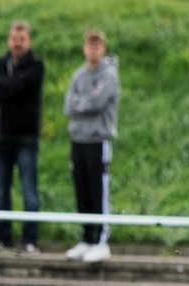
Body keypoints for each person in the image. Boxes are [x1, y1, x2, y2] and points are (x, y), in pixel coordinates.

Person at [0, 20, 45, 254]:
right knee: (1, 190)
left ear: (29, 41)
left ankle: (30, 240)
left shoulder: (36, 65)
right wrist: (6, 87)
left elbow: (19, 87)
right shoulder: (0, 63)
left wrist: (3, 87)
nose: (17, 43)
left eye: (22, 39)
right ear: (9, 40)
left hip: (25, 138)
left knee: (29, 190)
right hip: (0, 138)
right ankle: (3, 238)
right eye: (14, 39)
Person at [63, 29, 121, 264]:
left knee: (99, 192)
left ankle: (101, 241)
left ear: (103, 49)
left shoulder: (109, 75)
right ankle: (87, 238)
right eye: (90, 45)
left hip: (98, 141)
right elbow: (68, 105)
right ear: (84, 48)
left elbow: (98, 103)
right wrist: (84, 102)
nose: (93, 49)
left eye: (97, 46)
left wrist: (82, 103)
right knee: (82, 191)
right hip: (79, 141)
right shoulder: (79, 75)